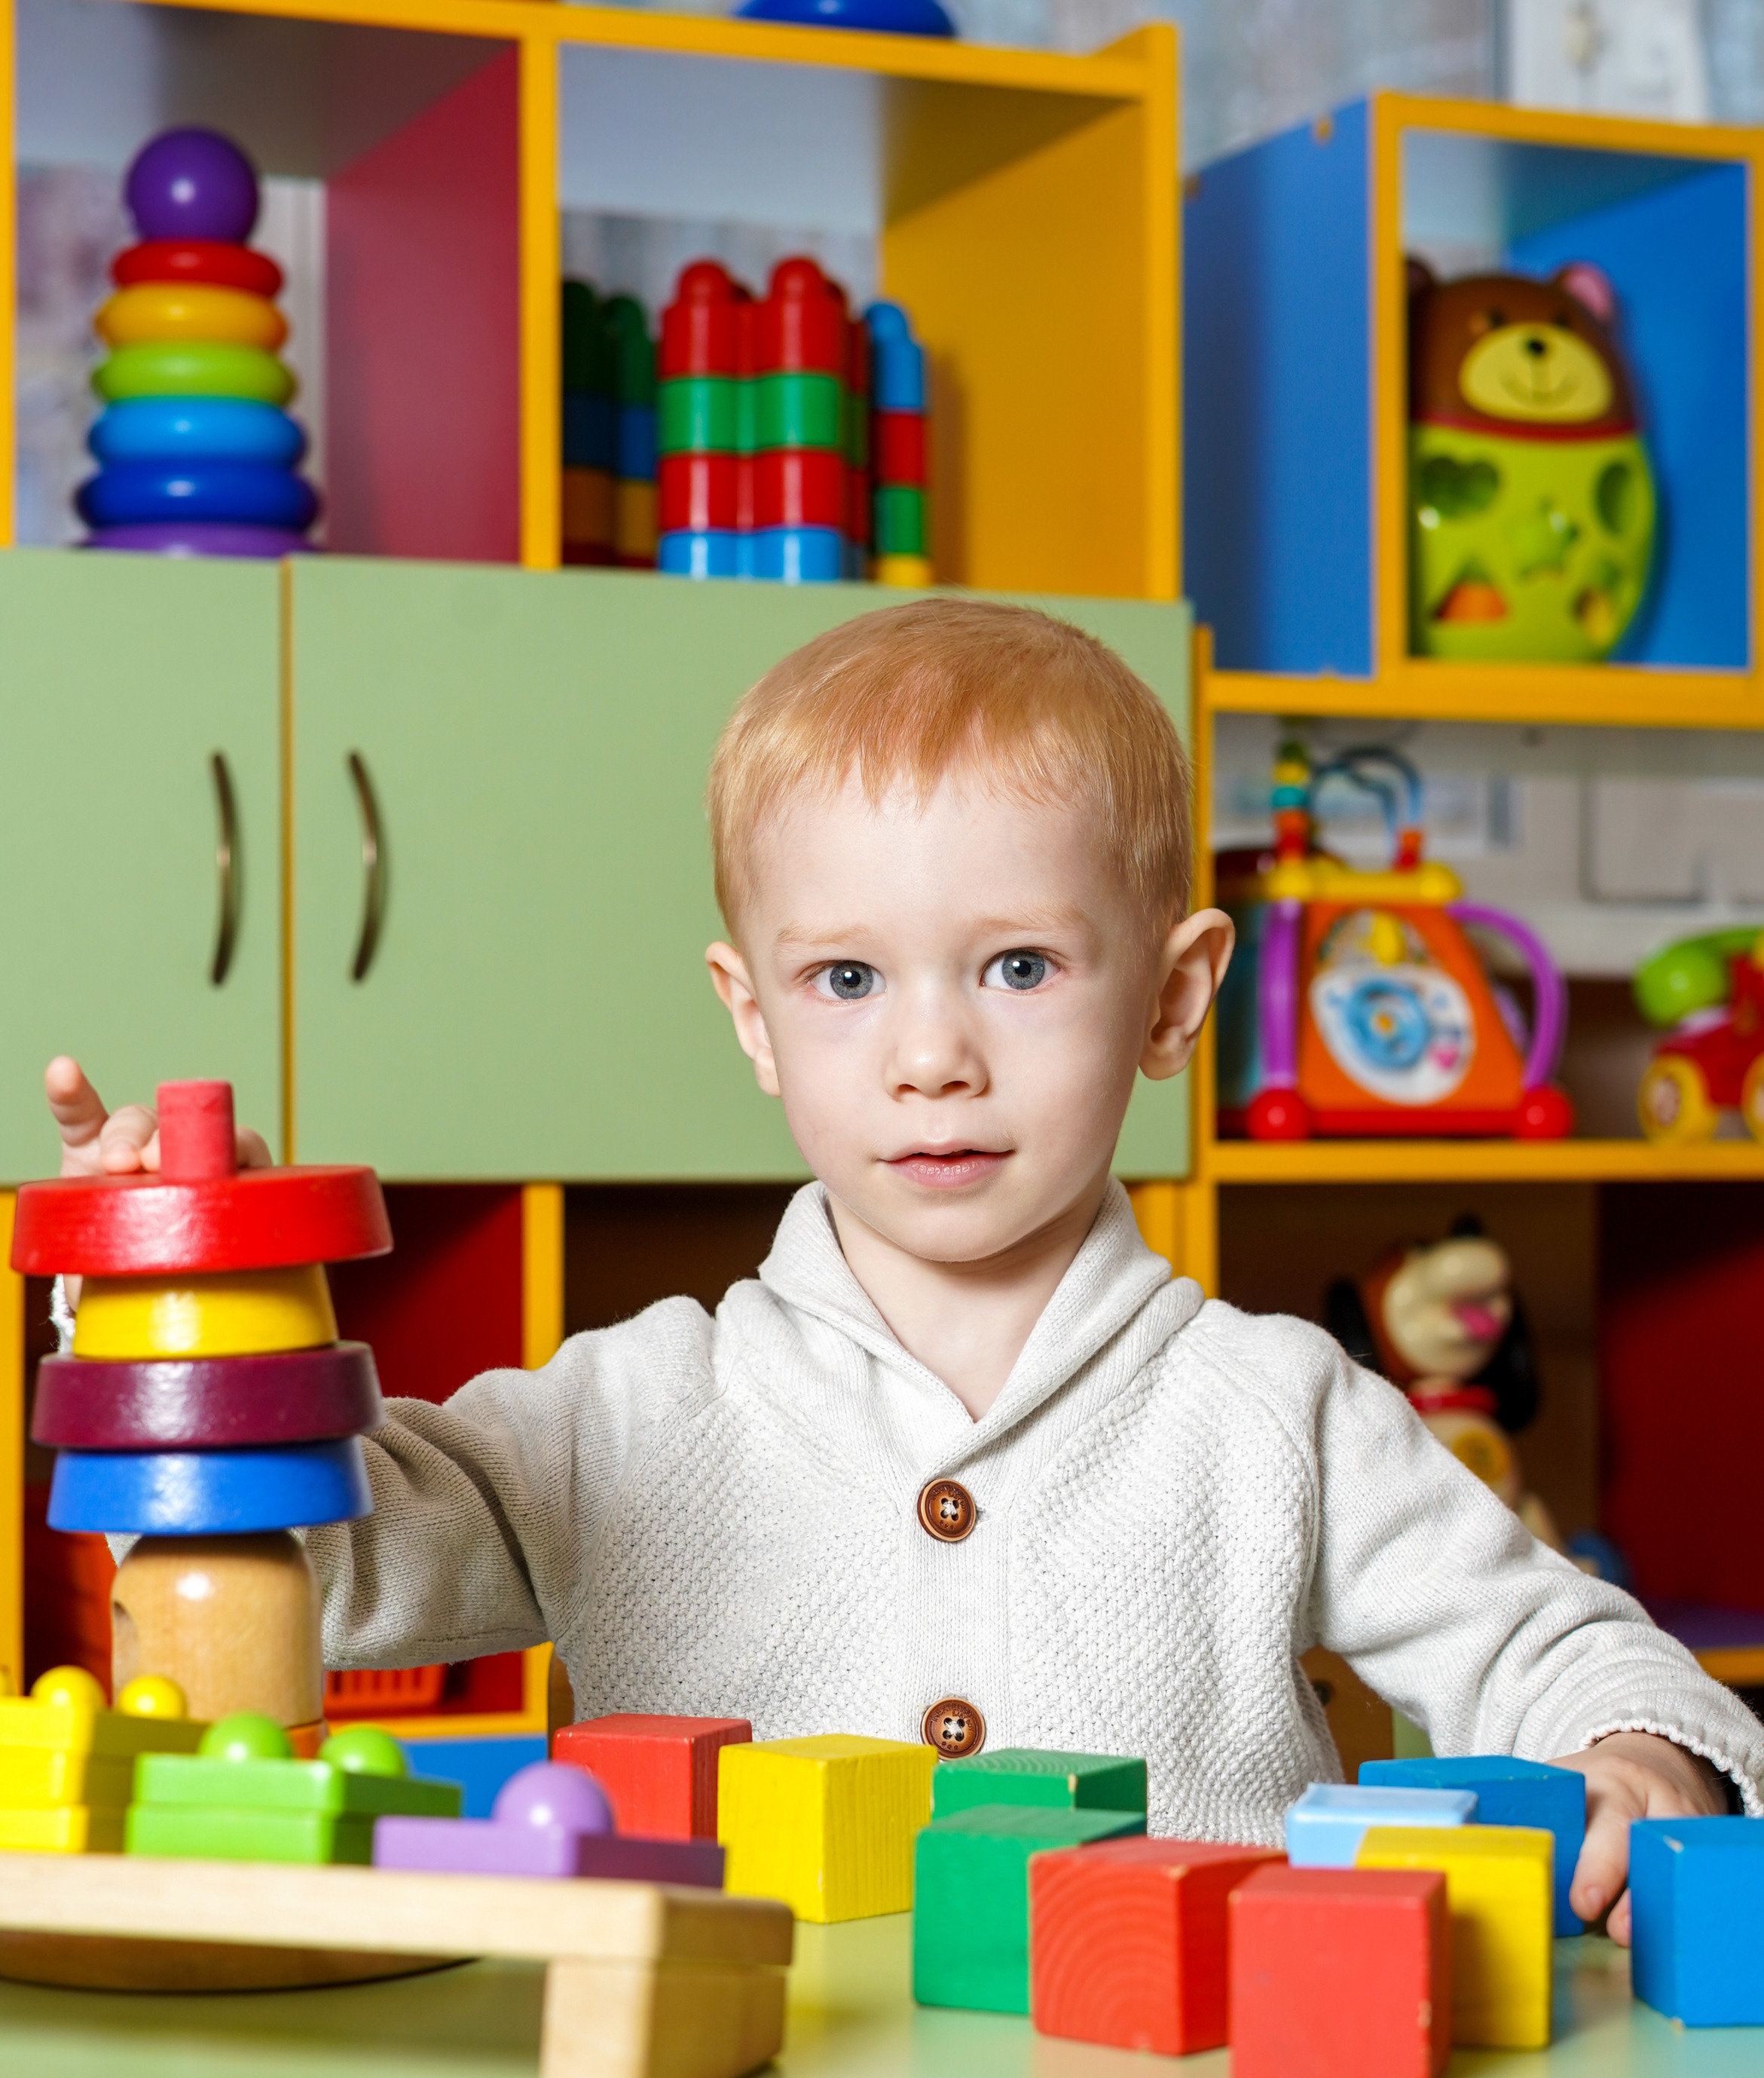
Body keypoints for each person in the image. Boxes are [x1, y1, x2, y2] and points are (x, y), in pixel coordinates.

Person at [47, 598, 1761, 1942]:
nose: (931, 1054)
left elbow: (1557, 1645)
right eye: (849, 979)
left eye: (1017, 963)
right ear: (753, 1015)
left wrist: (1635, 1749)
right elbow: (319, 1575)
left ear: (1170, 999)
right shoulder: (637, 1405)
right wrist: (183, 1306)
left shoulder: (1275, 1408)